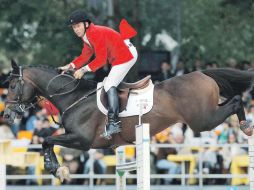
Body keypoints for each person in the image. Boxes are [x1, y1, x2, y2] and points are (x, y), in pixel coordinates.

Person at [59, 10, 138, 139]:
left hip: (126, 55)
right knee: (107, 84)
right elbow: (86, 55)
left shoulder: (94, 33)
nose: (76, 30)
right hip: (120, 56)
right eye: (74, 27)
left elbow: (101, 60)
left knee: (109, 85)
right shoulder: (87, 36)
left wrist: (83, 70)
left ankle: (114, 123)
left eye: (78, 26)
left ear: (86, 24)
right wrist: (70, 66)